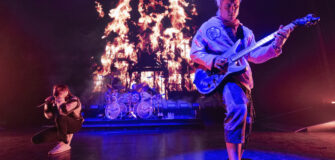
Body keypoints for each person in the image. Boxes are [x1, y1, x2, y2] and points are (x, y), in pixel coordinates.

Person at [190, 0, 294, 159]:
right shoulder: (208, 27)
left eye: (235, 6)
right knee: (238, 109)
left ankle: (237, 156)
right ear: (219, 4)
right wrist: (212, 60)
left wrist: (277, 44)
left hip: (243, 79)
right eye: (228, 6)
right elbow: (195, 53)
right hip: (220, 78)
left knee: (247, 121)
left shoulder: (246, 32)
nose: (232, 10)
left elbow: (255, 56)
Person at [32, 85, 84, 155]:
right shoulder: (56, 100)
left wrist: (60, 99)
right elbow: (48, 116)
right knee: (36, 139)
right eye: (55, 92)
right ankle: (66, 136)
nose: (56, 94)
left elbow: (63, 112)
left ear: (66, 92)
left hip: (75, 124)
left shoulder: (74, 100)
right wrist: (47, 105)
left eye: (59, 92)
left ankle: (64, 143)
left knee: (61, 117)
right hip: (61, 127)